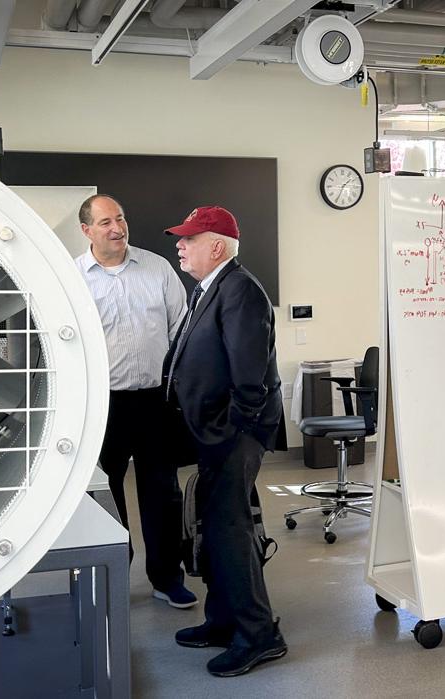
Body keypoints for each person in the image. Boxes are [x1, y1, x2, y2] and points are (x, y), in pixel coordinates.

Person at [162, 205, 288, 677]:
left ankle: (260, 636)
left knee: (230, 532)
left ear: (216, 246)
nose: (180, 245)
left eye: (189, 239)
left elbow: (249, 377)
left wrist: (232, 428)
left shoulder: (240, 291)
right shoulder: (210, 288)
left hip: (234, 435)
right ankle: (222, 621)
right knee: (213, 529)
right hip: (214, 433)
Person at [76, 194, 197, 610]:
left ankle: (167, 578)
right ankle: (112, 578)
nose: (117, 228)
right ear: (87, 230)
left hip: (155, 401)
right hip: (102, 405)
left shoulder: (157, 268)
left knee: (162, 492)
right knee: (105, 496)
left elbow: (181, 330)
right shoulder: (73, 279)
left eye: (121, 218)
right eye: (106, 221)